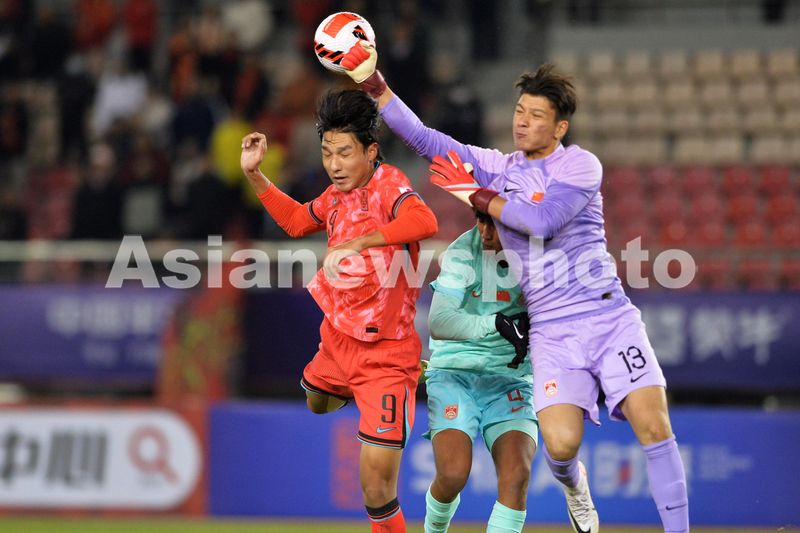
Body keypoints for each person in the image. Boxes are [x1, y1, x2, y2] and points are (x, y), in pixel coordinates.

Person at [341, 45, 690, 533]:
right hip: (551, 330)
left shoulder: (580, 166)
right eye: (519, 111)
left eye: (536, 115)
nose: (522, 122)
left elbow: (542, 221)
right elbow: (424, 138)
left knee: (654, 427)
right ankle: (574, 485)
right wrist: (375, 85)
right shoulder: (499, 167)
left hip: (606, 316)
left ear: (560, 128)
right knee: (561, 447)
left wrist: (474, 194)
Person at [239, 89, 438, 533]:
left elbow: (426, 221)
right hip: (337, 340)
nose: (334, 164)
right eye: (327, 153)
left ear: (370, 151)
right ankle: (361, 392)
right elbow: (296, 221)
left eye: (344, 153)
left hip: (385, 356)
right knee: (315, 401)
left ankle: (398, 386)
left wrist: (361, 242)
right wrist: (255, 175)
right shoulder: (334, 196)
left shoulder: (388, 185)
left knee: (375, 488)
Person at [423, 209, 538, 533]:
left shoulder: (542, 256)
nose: (485, 231)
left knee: (517, 476)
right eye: (480, 219)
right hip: (455, 372)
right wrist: (496, 323)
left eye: (495, 223)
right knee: (453, 475)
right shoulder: (463, 251)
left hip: (511, 379)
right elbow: (439, 322)